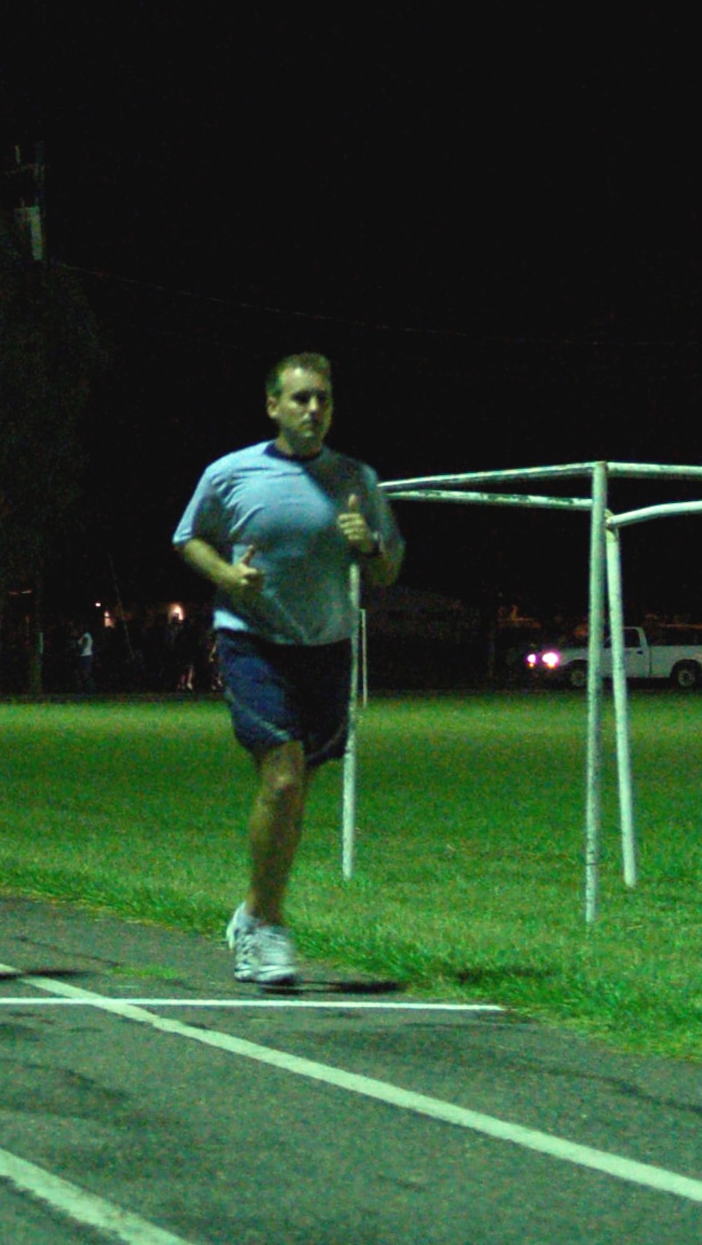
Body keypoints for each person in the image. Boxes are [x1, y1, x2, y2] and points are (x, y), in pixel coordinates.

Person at [173, 352, 402, 986]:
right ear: (273, 405)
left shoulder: (356, 479)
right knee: (281, 781)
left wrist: (369, 545)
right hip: (251, 640)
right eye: (300, 398)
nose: (313, 410)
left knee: (297, 792)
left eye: (322, 399)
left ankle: (250, 911)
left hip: (326, 648)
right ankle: (269, 928)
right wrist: (225, 575)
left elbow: (388, 571)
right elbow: (188, 538)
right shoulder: (231, 472)